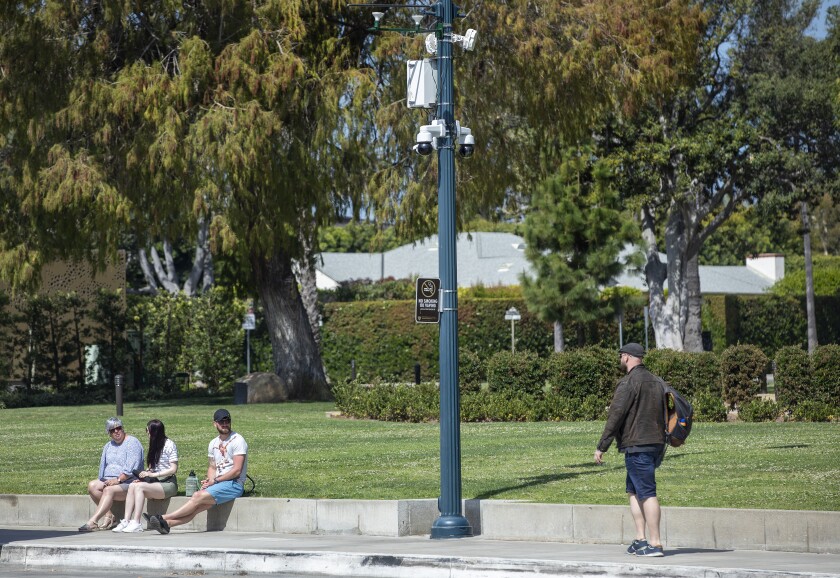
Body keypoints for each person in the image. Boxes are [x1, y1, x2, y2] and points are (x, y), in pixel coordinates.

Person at [594, 343, 667, 557]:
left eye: (621, 356)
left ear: (626, 357)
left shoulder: (628, 383)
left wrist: (602, 446)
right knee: (633, 491)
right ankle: (640, 539)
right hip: (655, 443)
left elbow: (615, 416)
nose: (620, 359)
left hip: (638, 445)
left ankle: (655, 543)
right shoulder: (657, 381)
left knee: (647, 493)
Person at [148, 408, 248, 534]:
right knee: (197, 506)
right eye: (221, 422)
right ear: (215, 424)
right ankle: (167, 524)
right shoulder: (213, 443)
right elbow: (212, 467)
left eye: (227, 421)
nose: (225, 424)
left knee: (196, 496)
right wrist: (210, 480)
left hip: (234, 484)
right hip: (219, 483)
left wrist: (215, 480)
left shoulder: (238, 440)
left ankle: (163, 518)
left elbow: (237, 471)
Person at [113, 419, 179, 533]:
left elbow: (173, 469)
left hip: (168, 483)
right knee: (133, 486)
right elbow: (151, 467)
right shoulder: (153, 444)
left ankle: (137, 522)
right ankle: (126, 521)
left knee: (139, 487)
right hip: (155, 482)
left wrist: (153, 474)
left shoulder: (169, 444)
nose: (146, 433)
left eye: (147, 430)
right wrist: (143, 477)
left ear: (154, 432)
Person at [79, 417, 144, 532]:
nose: (116, 432)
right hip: (110, 480)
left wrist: (118, 480)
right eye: (112, 430)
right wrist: (104, 480)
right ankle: (109, 515)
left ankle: (93, 521)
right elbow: (103, 467)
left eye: (118, 428)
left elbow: (131, 469)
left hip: (128, 482)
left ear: (122, 429)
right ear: (108, 433)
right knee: (92, 486)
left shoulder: (132, 442)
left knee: (108, 490)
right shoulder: (108, 445)